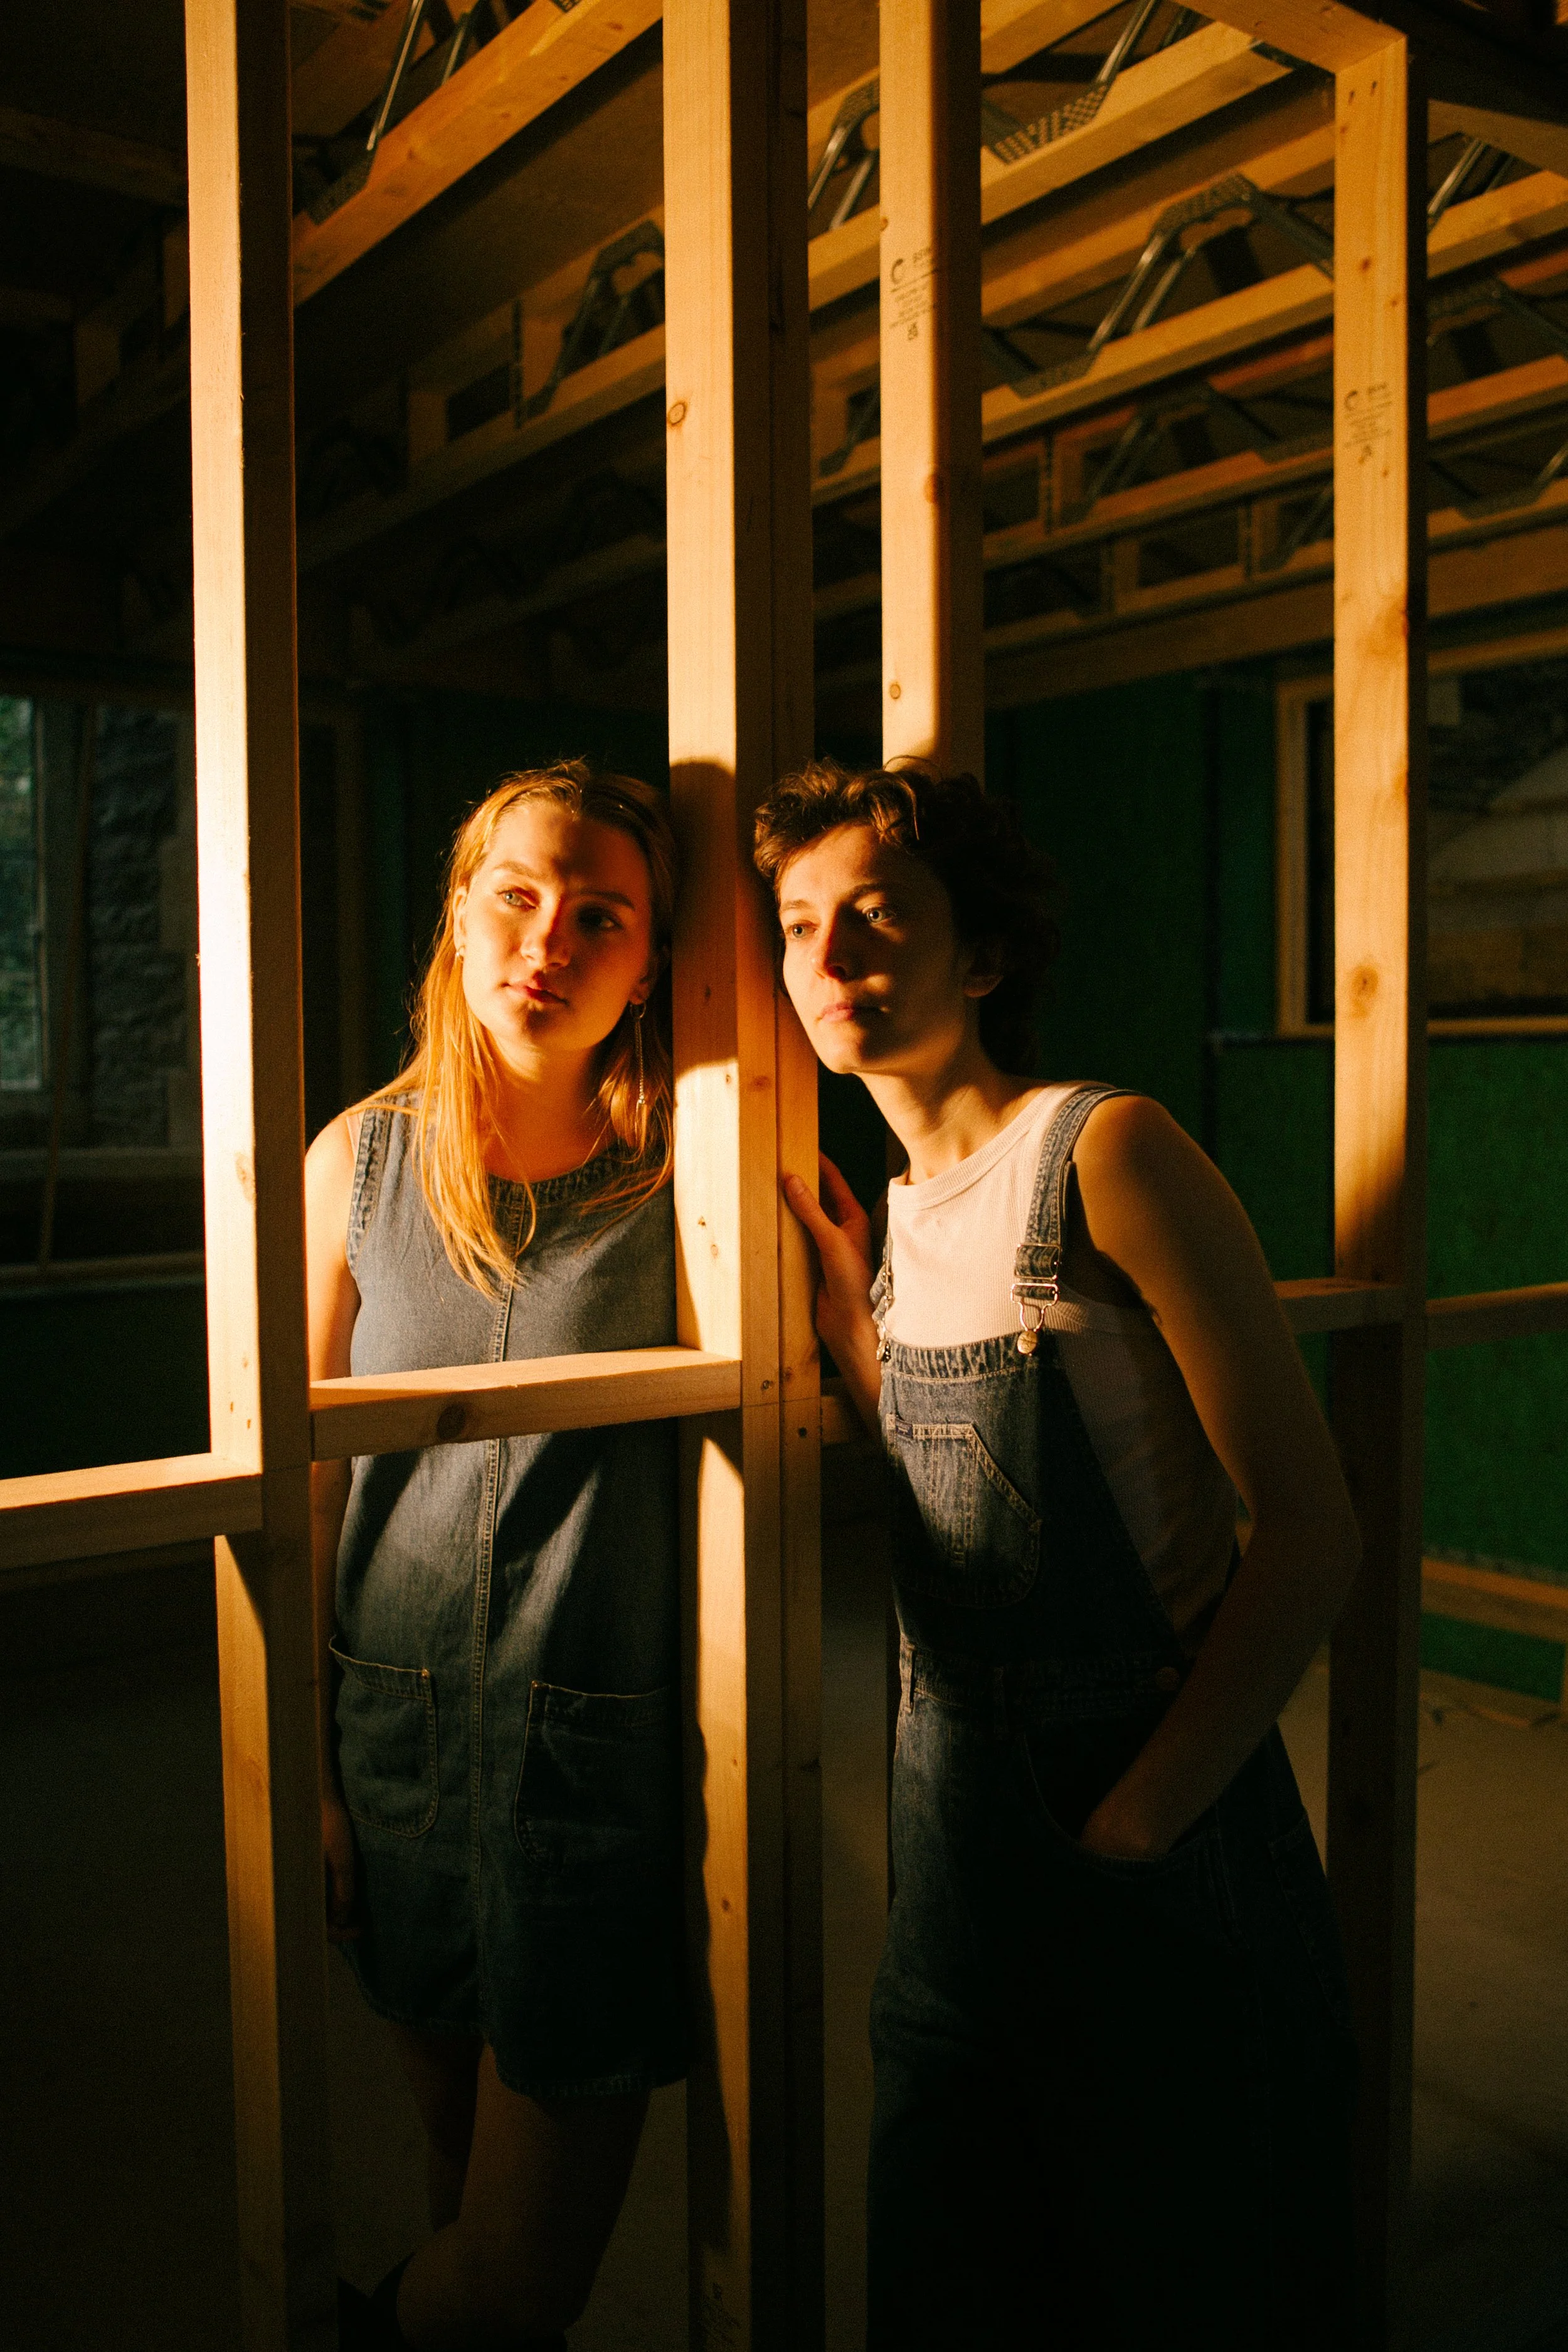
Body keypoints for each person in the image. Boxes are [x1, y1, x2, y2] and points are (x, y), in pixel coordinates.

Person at [757, 758, 1362, 2349]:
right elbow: (971, 1506)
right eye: (800, 927)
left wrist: (1140, 1822)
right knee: (955, 2278)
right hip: (953, 1854)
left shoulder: (1104, 1149)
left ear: (982, 955)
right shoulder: (896, 1216)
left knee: (1181, 2286)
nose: (828, 966)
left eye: (875, 920)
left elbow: (1309, 1532)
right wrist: (851, 1328)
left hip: (1146, 1825)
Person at [305, 762, 684, 2352]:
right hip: (387, 1730)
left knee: (519, 2273)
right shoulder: (361, 1164)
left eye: (600, 914)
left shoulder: (694, 1174)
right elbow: (292, 1493)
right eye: (518, 896)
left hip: (593, 1749)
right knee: (458, 2179)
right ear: (459, 917)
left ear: (650, 960)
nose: (550, 938)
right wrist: (308, 1773)